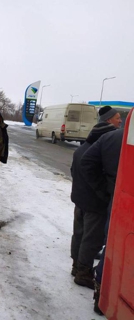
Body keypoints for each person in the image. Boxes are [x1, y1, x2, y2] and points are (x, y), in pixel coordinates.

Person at [69, 110, 118, 290]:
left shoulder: (81, 149)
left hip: (79, 200)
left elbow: (73, 172)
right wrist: (105, 194)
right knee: (92, 239)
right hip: (94, 204)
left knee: (79, 234)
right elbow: (100, 178)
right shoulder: (99, 153)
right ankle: (83, 273)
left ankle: (76, 266)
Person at [80, 128, 124, 315]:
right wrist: (103, 190)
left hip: (116, 197)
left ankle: (102, 296)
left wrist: (105, 189)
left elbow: (87, 161)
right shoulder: (115, 136)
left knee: (112, 245)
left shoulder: (113, 136)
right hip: (116, 197)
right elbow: (86, 162)